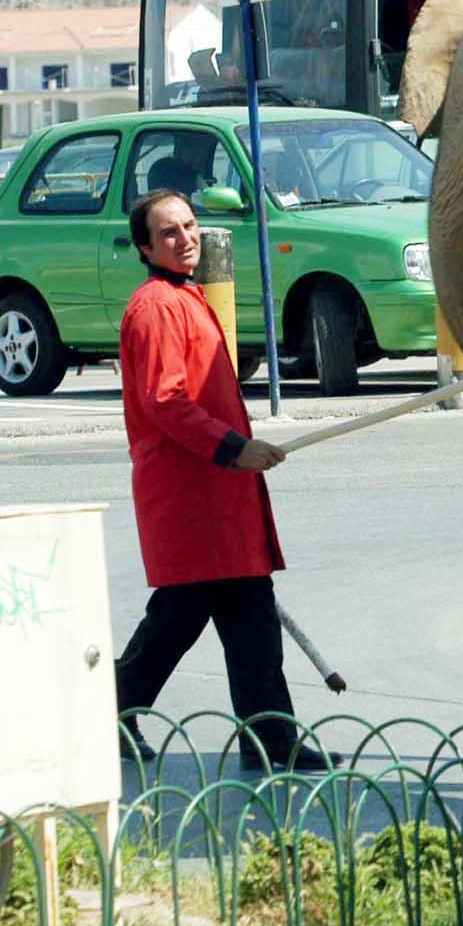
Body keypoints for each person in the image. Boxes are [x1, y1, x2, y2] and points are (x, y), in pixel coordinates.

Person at [110, 188, 330, 772]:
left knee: (246, 617)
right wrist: (234, 449)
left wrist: (237, 456)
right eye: (169, 233)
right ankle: (112, 712)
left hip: (218, 494)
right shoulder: (157, 306)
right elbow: (167, 401)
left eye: (189, 226)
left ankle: (270, 740)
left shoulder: (187, 297)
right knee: (182, 618)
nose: (185, 239)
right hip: (191, 496)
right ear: (144, 247)